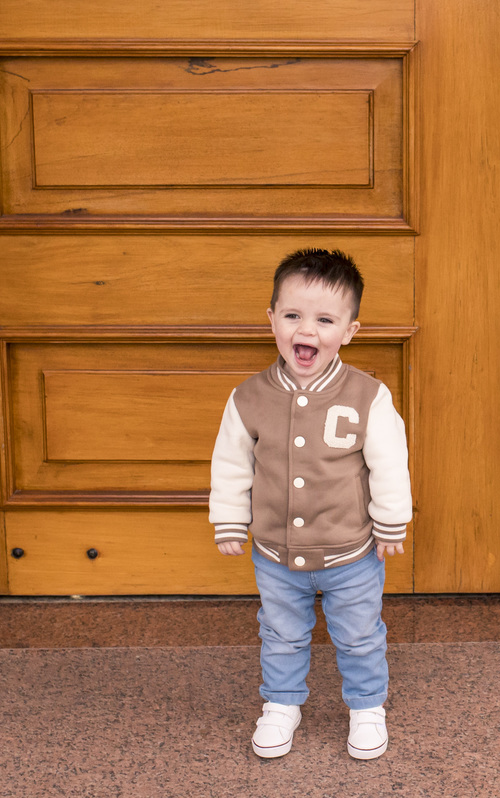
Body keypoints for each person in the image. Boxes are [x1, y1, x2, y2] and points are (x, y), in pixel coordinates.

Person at [209, 248, 411, 760]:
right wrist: (230, 519)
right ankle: (281, 704)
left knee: (360, 635)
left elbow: (389, 464)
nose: (307, 330)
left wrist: (391, 523)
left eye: (325, 319)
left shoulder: (369, 397)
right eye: (293, 315)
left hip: (352, 554)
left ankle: (367, 707)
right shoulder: (249, 398)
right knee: (280, 633)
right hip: (275, 555)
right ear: (272, 319)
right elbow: (232, 463)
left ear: (349, 331)